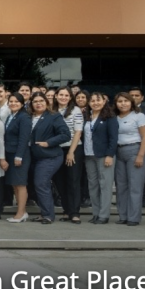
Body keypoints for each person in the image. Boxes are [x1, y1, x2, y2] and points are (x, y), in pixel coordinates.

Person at [27, 92, 71, 225]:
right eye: (35, 101)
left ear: (47, 102)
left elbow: (66, 135)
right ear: (31, 104)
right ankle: (44, 212)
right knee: (37, 185)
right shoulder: (28, 117)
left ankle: (48, 215)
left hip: (50, 156)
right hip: (33, 157)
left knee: (41, 183)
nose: (38, 103)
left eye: (41, 100)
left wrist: (48, 142)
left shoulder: (54, 116)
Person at [111, 92, 145, 226]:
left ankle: (133, 218)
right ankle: (123, 216)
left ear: (131, 102)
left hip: (134, 150)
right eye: (120, 101)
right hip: (118, 151)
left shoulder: (139, 116)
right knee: (121, 186)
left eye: (126, 101)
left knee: (135, 186)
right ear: (116, 104)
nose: (123, 104)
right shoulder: (114, 117)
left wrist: (140, 155)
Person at [83, 92, 118, 225]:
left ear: (104, 102)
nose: (95, 103)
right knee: (93, 186)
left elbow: (113, 138)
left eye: (98, 100)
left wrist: (110, 155)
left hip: (104, 156)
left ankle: (104, 215)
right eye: (92, 101)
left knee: (105, 185)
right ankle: (96, 214)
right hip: (88, 155)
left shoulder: (110, 117)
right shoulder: (87, 116)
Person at [51, 87, 85, 224]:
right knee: (60, 182)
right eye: (61, 95)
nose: (63, 97)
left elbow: (78, 132)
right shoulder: (51, 111)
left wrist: (71, 151)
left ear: (70, 97)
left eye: (66, 95)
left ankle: (75, 212)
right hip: (56, 150)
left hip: (74, 148)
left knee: (73, 181)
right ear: (56, 96)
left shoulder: (76, 111)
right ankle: (66, 210)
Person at [4, 93, 33, 223]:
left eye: (16, 101)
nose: (13, 103)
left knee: (20, 184)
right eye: (11, 101)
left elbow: (24, 138)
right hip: (10, 153)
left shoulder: (24, 117)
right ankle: (21, 212)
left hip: (19, 154)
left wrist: (19, 156)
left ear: (22, 104)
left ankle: (21, 213)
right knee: (14, 184)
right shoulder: (11, 116)